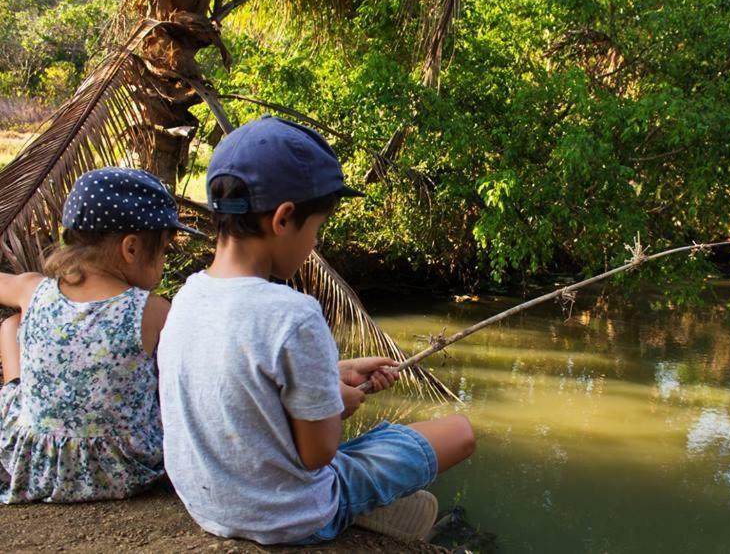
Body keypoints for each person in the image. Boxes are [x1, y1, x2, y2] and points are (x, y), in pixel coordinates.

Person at [158, 115, 475, 545]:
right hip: (288, 516)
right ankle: (353, 508)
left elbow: (242, 387)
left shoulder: (186, 298)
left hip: (210, 504)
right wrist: (335, 402)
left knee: (368, 451)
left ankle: (374, 506)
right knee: (459, 432)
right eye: (317, 229)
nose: (315, 244)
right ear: (285, 218)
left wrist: (330, 374)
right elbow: (318, 453)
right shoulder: (294, 314)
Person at [0, 167, 200, 503]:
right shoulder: (153, 311)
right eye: (164, 250)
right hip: (124, 468)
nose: (164, 261)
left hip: (39, 466)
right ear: (131, 249)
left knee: (11, 326)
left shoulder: (33, 290)